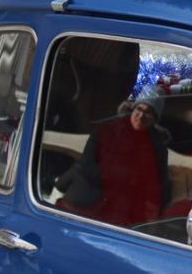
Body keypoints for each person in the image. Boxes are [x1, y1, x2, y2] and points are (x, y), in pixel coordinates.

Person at [57, 89, 171, 228]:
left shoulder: (157, 147)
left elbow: (160, 184)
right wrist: (119, 179)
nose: (141, 116)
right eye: (139, 109)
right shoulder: (106, 130)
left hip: (126, 209)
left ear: (155, 119)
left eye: (148, 113)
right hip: (88, 197)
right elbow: (87, 165)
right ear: (132, 109)